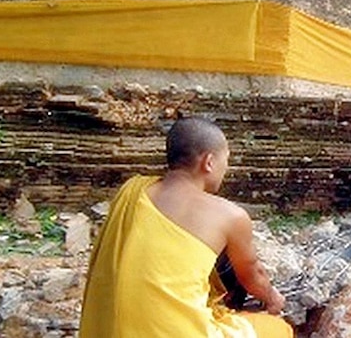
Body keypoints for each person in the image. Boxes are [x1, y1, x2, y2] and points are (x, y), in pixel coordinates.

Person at [79, 117, 293, 338]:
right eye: (226, 160)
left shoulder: (132, 191)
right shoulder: (230, 216)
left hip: (109, 331)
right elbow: (253, 277)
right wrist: (273, 298)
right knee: (277, 329)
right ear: (209, 162)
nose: (226, 169)